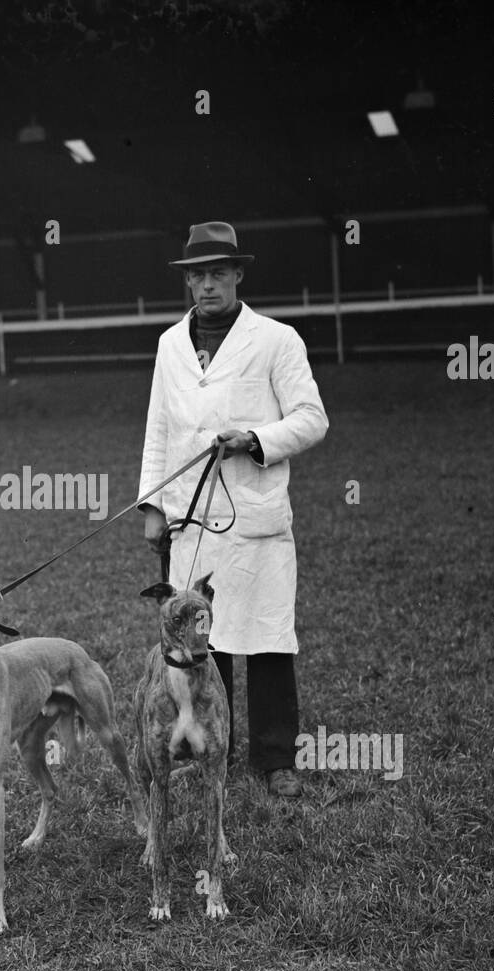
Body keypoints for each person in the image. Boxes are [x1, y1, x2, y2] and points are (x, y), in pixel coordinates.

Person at [138, 221, 328, 795]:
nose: (206, 286)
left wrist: (255, 437)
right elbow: (159, 428)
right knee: (198, 643)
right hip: (189, 519)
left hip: (254, 516)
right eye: (197, 275)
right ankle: (203, 747)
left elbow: (312, 418)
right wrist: (152, 505)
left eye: (217, 273)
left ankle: (276, 761)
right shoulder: (171, 344)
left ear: (238, 275)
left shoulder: (276, 339)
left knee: (267, 638)